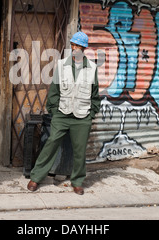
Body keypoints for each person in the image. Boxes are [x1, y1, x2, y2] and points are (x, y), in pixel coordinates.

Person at [27, 31, 100, 195]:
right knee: (51, 144)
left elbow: (95, 94)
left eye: (79, 46)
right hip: (62, 114)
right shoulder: (61, 65)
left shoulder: (92, 68)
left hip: (82, 116)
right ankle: (36, 177)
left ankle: (77, 181)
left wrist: (91, 113)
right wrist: (54, 111)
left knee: (80, 151)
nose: (76, 48)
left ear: (84, 48)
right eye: (74, 45)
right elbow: (54, 90)